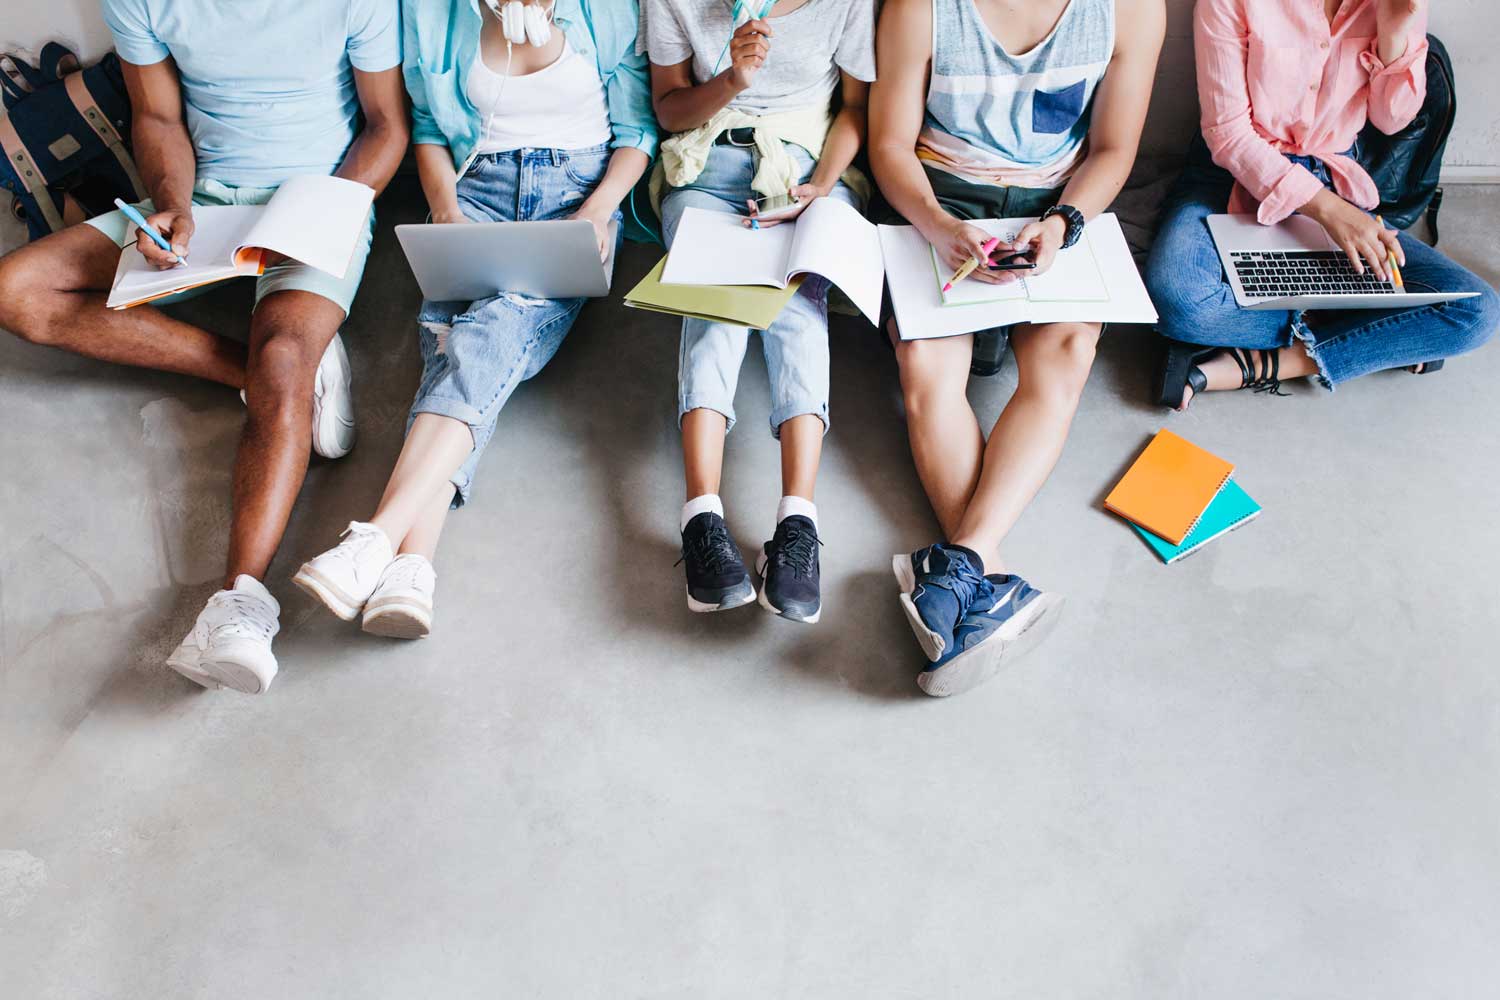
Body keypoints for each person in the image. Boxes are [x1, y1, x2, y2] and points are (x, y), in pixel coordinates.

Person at [0, 0, 408, 693]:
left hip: (322, 199)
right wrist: (172, 205)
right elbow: (157, 118)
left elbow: (385, 127)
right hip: (211, 203)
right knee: (16, 290)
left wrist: (326, 211)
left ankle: (241, 604)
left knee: (283, 355)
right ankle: (269, 372)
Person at [294, 0, 656, 639]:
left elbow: (638, 133)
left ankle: (377, 536)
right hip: (474, 190)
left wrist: (599, 211)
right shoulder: (434, 13)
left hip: (573, 196)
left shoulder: (606, 11)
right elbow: (430, 129)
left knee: (490, 334)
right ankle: (411, 569)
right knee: (450, 346)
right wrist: (448, 213)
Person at [870, 0, 1164, 695]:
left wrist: (1064, 223)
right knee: (926, 364)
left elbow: (1115, 148)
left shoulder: (1132, 10)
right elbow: (889, 146)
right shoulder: (922, 9)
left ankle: (962, 565)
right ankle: (989, 579)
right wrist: (940, 225)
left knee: (1069, 357)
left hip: (1057, 207)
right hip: (937, 197)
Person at [644, 0, 876, 624]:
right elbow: (668, 106)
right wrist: (730, 82)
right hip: (704, 167)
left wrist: (822, 187)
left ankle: (797, 521)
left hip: (806, 168)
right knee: (714, 314)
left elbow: (854, 110)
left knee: (800, 311)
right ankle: (702, 517)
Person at [1147, 0, 1499, 410]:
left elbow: (1392, 121)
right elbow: (1227, 136)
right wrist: (1330, 212)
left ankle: (1264, 364)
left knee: (1476, 310)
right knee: (1180, 302)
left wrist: (1395, 31)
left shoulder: (1398, 5)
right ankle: (1385, 335)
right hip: (1232, 174)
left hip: (1334, 179)